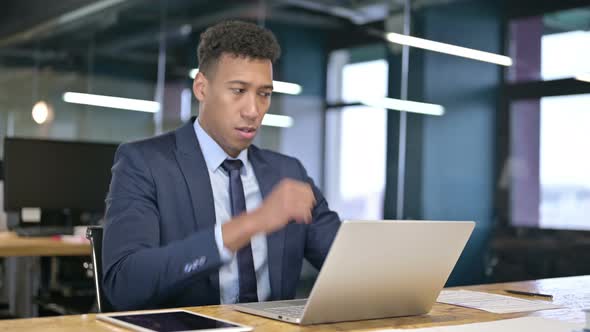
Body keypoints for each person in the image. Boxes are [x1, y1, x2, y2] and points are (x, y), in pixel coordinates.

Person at [102, 20, 341, 311]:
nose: (253, 110)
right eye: (238, 90)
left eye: (264, 94)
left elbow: (350, 267)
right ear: (201, 88)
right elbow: (124, 285)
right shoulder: (144, 164)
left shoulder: (288, 173)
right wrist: (248, 224)